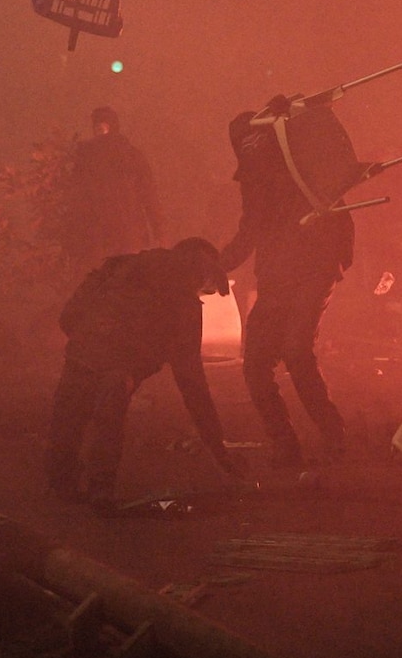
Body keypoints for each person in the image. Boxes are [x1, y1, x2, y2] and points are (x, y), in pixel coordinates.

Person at [47, 237, 242, 510]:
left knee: (68, 419)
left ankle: (59, 487)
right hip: (119, 368)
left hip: (81, 353)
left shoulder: (118, 267)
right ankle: (99, 491)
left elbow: (68, 317)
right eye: (207, 288)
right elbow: (191, 383)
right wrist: (217, 446)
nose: (204, 292)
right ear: (203, 272)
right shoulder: (183, 304)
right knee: (108, 422)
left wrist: (86, 341)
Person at [219, 105, 353, 469]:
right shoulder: (253, 178)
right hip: (277, 276)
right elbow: (251, 229)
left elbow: (335, 201)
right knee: (256, 365)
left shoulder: (299, 159)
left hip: (315, 268)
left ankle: (334, 435)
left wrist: (336, 258)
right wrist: (216, 264)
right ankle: (285, 445)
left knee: (296, 351)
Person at [62, 105, 163, 267]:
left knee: (117, 280)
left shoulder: (125, 156)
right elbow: (149, 196)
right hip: (115, 236)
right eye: (98, 128)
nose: (101, 132)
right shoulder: (91, 158)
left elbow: (148, 195)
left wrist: (159, 232)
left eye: (103, 127)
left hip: (114, 236)